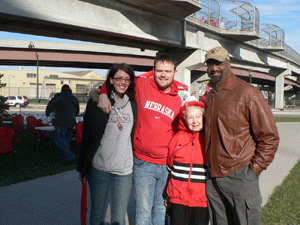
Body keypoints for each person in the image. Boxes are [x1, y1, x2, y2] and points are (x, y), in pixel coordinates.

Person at [98, 53, 182, 225]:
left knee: (160, 209)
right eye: (159, 70)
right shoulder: (142, 85)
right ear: (154, 71)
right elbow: (116, 81)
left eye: (167, 71)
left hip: (166, 165)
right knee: (143, 211)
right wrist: (102, 93)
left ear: (175, 72)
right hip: (143, 163)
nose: (163, 74)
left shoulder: (178, 100)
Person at [203, 46, 280, 224]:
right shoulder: (211, 95)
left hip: (240, 176)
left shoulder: (249, 93)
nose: (214, 68)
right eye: (210, 64)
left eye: (219, 63)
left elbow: (269, 137)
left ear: (228, 63)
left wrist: (253, 172)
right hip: (213, 179)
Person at [77, 63, 138, 225]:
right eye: (119, 78)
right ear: (110, 80)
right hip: (100, 168)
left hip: (124, 171)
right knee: (97, 216)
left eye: (127, 79)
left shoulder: (133, 104)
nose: (123, 82)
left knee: (118, 218)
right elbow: (88, 136)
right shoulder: (96, 103)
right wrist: (83, 167)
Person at [165, 101, 209, 225]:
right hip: (178, 197)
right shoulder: (178, 138)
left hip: (201, 199)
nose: (194, 121)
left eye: (198, 116)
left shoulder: (208, 139)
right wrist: (168, 193)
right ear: (185, 119)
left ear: (203, 117)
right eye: (190, 117)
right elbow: (169, 166)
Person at [46, 84, 79, 163]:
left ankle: (70, 156)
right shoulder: (74, 98)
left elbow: (51, 104)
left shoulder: (59, 96)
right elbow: (77, 111)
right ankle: (63, 158)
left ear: (62, 90)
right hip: (71, 122)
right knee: (66, 141)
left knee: (58, 140)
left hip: (61, 121)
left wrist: (48, 113)